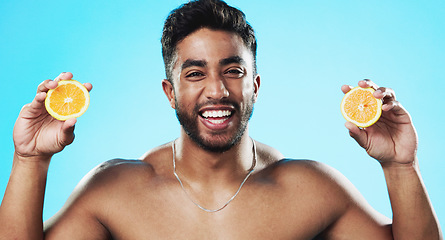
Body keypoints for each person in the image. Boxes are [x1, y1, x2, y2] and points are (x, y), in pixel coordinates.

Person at [0, 0, 442, 239]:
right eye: (195, 74)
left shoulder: (310, 190)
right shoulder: (115, 192)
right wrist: (30, 161)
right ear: (170, 92)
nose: (216, 90)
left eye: (233, 70)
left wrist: (400, 166)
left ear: (255, 85)